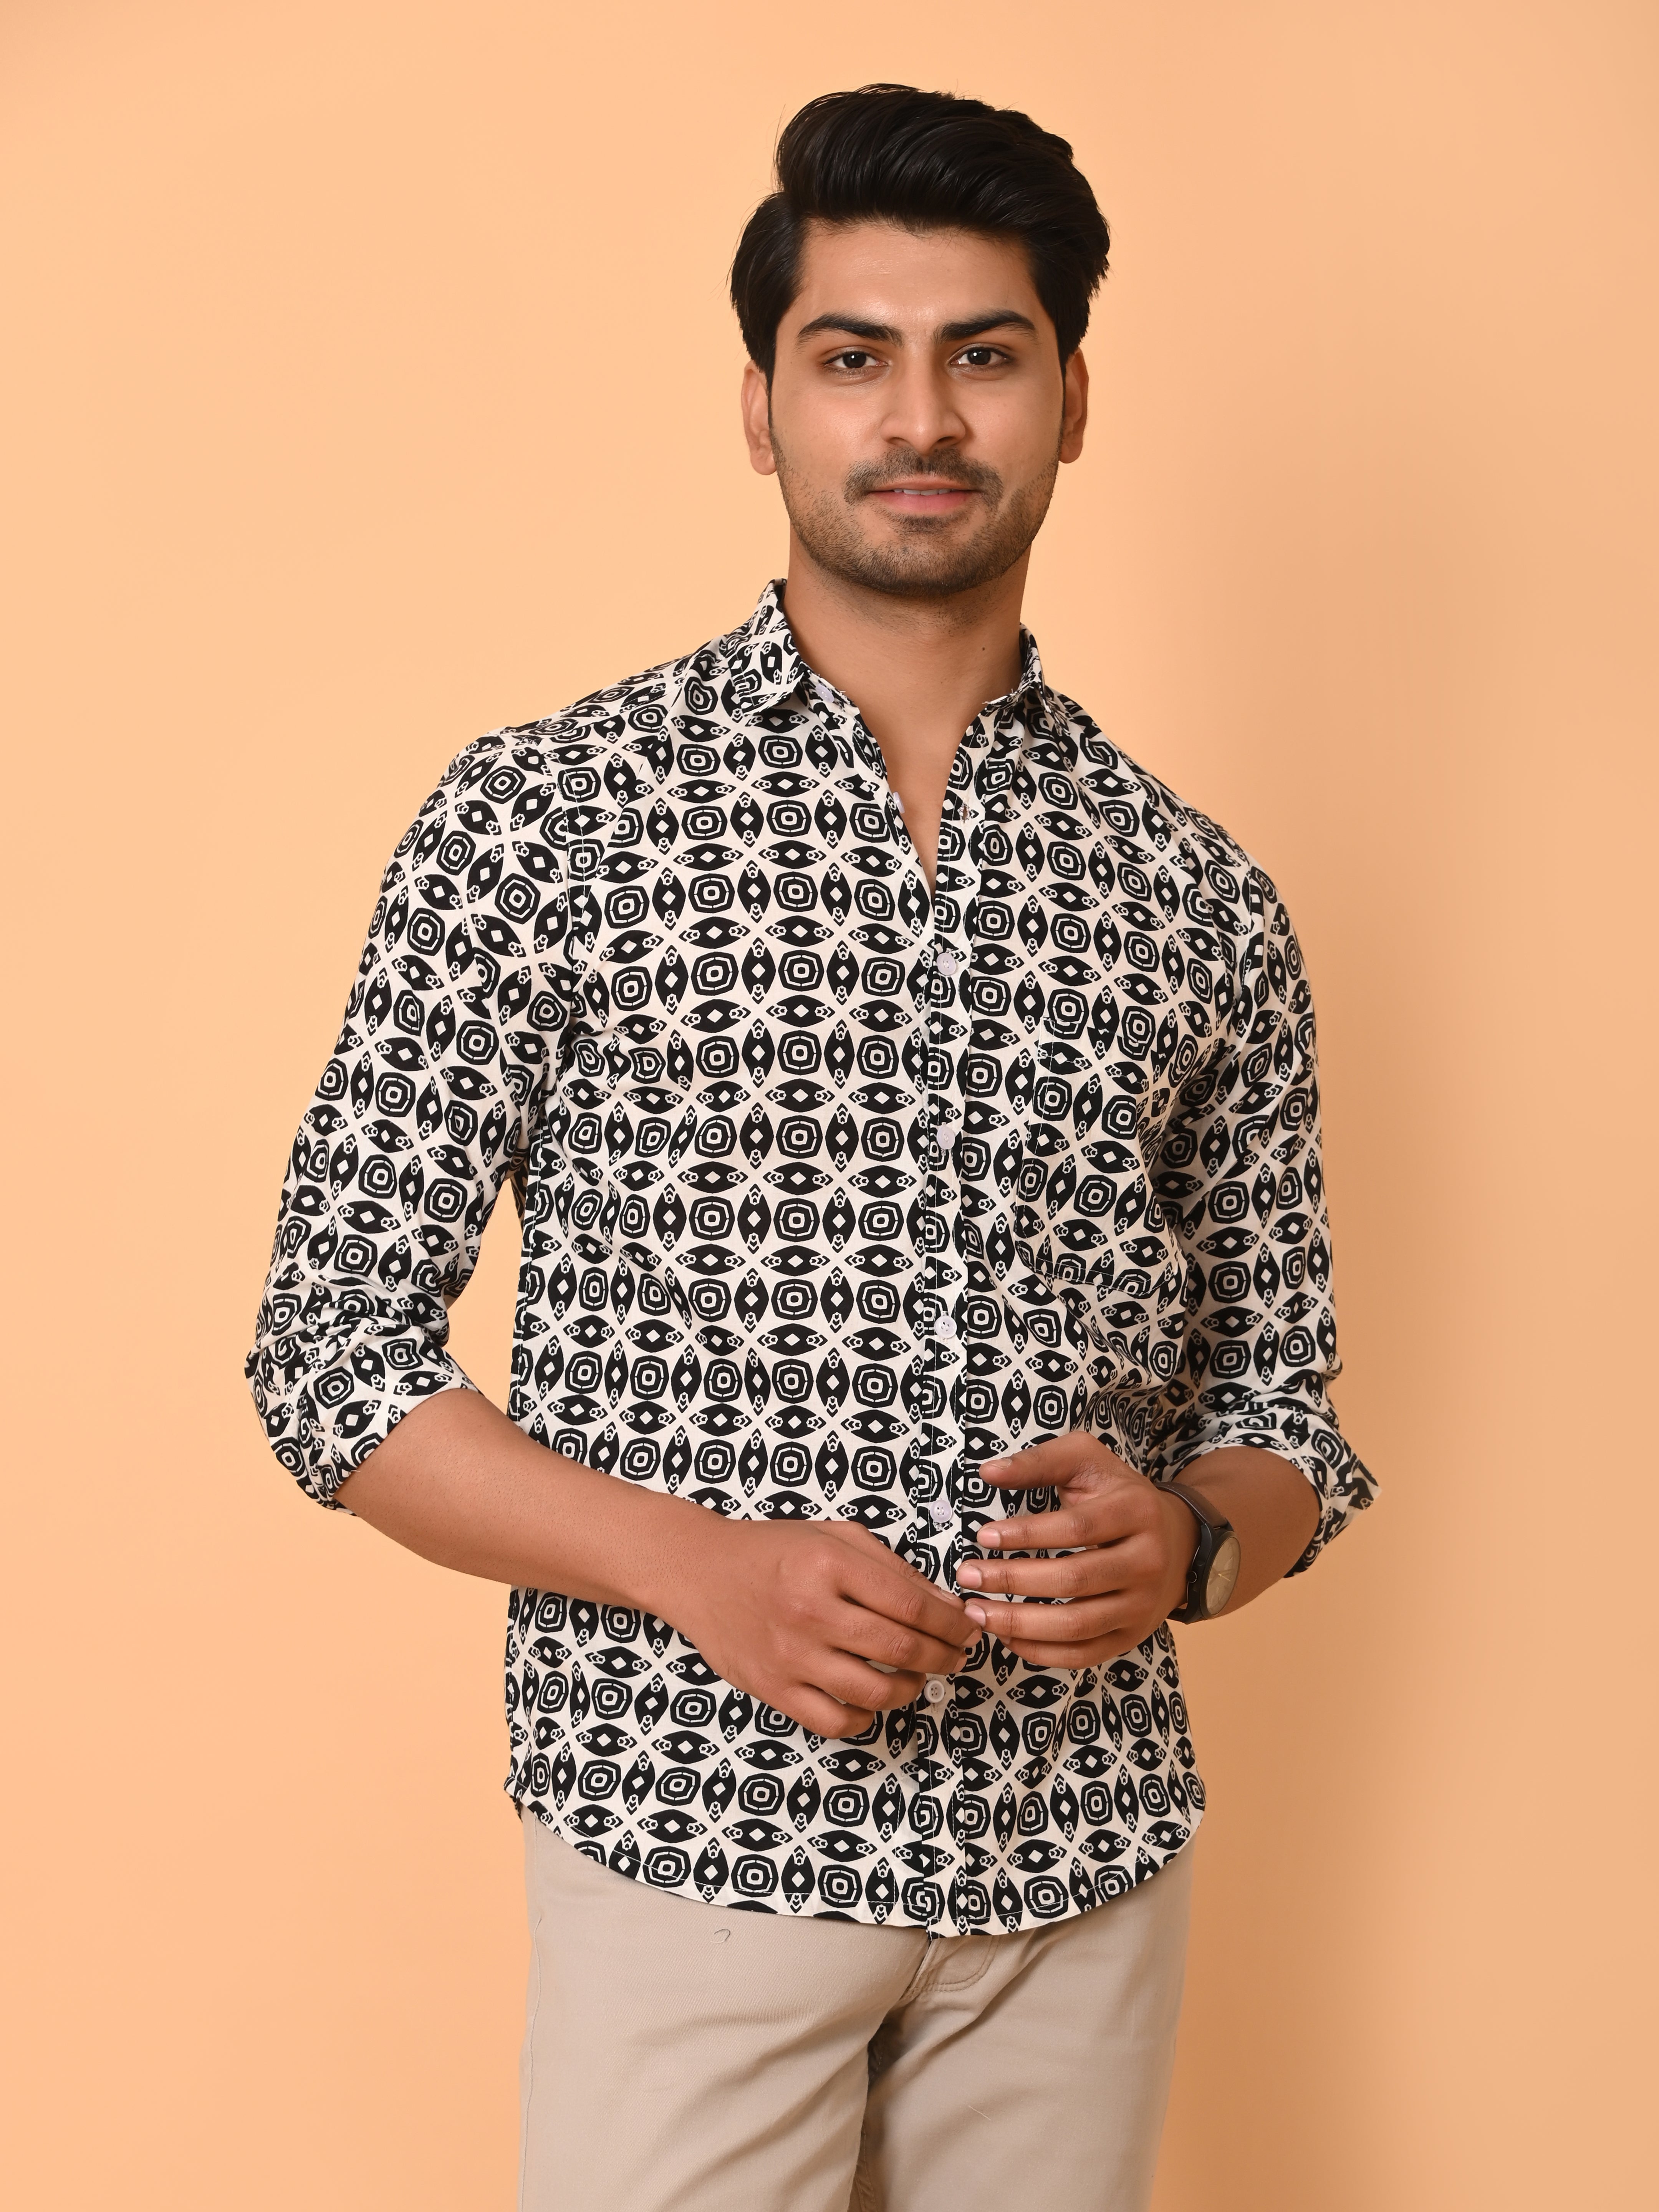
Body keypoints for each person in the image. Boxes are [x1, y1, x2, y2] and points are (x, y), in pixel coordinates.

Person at [247, 83, 1374, 2212]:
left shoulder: (1197, 894)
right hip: (694, 1843)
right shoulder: (547, 822)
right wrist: (701, 1571)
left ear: (1071, 402)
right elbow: (330, 1361)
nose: (920, 418)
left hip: (1078, 1869)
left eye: (984, 355)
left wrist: (1192, 1542)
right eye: (854, 355)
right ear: (763, 408)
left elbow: (1286, 1414)